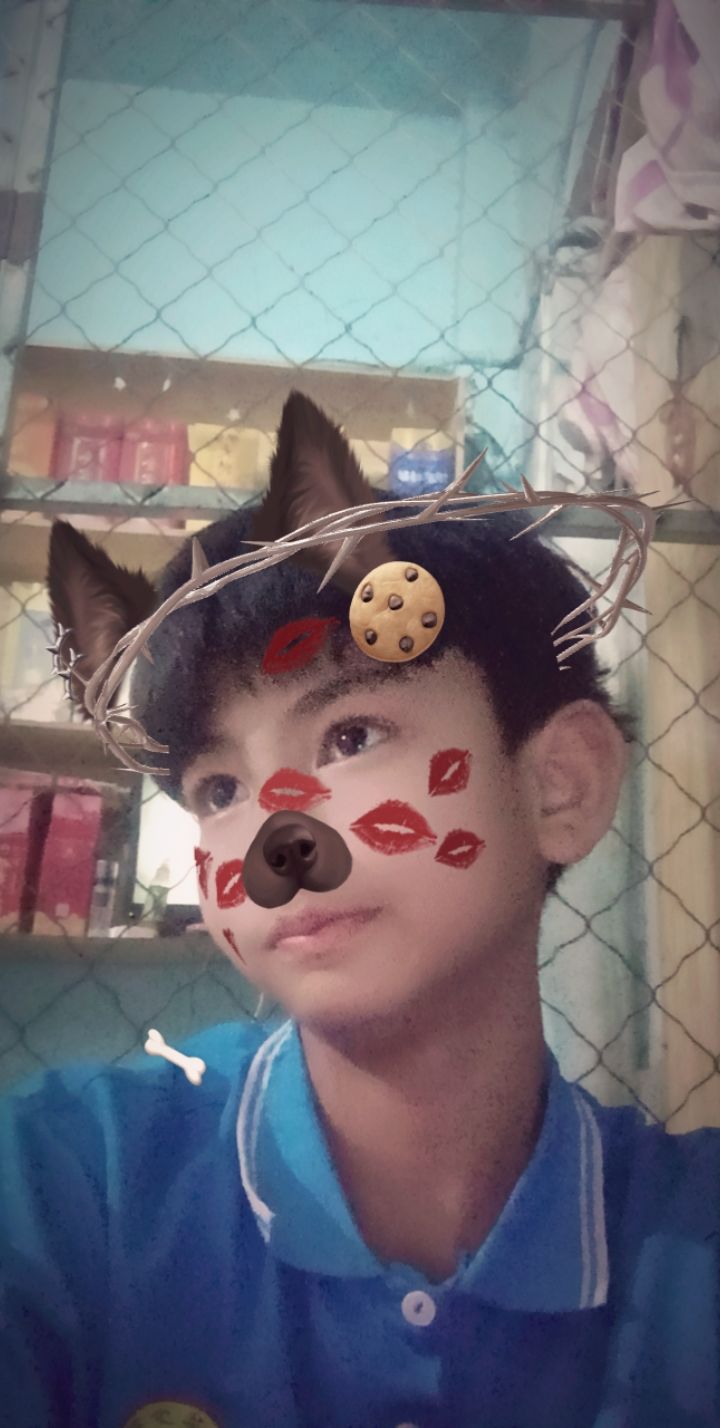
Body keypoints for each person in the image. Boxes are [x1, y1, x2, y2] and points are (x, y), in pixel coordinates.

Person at [1, 393, 718, 1428]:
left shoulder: (689, 1247)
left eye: (351, 737)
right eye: (217, 789)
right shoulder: (65, 1190)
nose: (274, 838)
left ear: (558, 784)